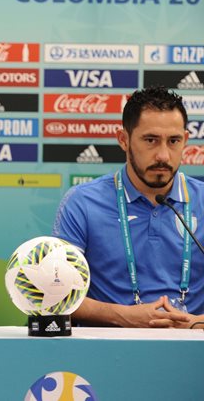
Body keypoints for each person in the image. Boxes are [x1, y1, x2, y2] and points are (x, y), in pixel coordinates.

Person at [52, 86, 204, 328]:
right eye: (150, 140)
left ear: (185, 140)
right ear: (123, 140)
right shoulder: (82, 202)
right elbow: (57, 291)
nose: (163, 155)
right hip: (107, 353)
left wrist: (195, 323)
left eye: (173, 141)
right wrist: (124, 316)